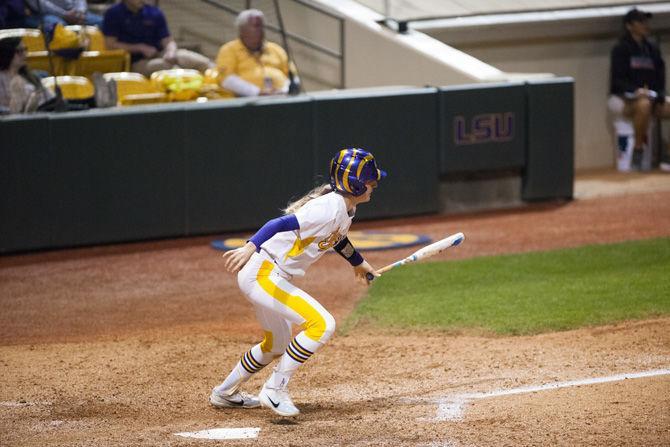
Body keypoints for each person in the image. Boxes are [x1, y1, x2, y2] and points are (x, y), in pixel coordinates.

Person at [209, 148, 385, 417]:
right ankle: (275, 389)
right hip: (264, 274)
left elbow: (336, 238)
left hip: (270, 276)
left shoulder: (345, 208)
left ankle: (225, 393)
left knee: (276, 345)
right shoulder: (327, 207)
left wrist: (358, 262)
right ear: (356, 184)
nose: (374, 185)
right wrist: (250, 246)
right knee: (322, 325)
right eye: (371, 181)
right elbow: (278, 223)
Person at [609, 8, 670, 171]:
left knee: (665, 105)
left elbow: (660, 78)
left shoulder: (652, 49)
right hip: (624, 98)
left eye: (646, 21)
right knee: (644, 105)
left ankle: (668, 155)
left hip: (649, 97)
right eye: (640, 22)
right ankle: (638, 150)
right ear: (629, 26)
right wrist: (635, 91)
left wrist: (660, 95)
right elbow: (616, 82)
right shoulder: (621, 49)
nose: (645, 25)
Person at [102, 0, 213, 77]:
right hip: (135, 62)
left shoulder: (154, 12)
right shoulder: (113, 13)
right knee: (169, 67)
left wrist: (171, 52)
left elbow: (168, 40)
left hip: (160, 53)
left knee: (197, 60)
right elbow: (110, 44)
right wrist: (140, 48)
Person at [216, 9, 298, 97]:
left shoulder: (276, 49)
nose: (261, 30)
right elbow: (226, 80)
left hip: (282, 98)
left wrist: (284, 90)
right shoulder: (229, 49)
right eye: (256, 26)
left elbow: (293, 77)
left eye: (262, 26)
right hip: (246, 103)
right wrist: (257, 92)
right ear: (242, 29)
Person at [0, 36, 53, 114]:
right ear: (7, 53)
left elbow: (50, 100)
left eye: (25, 50)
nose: (24, 54)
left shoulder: (32, 76)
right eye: (19, 51)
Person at [24, 0, 103, 29]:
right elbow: (41, 5)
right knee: (60, 28)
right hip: (49, 14)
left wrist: (80, 11)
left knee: (103, 22)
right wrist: (63, 15)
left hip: (76, 13)